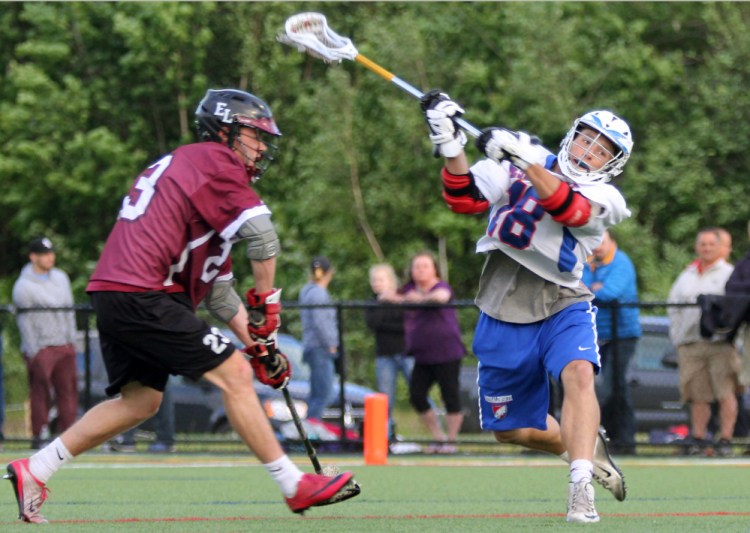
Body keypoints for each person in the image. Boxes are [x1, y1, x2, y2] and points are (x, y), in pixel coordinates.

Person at [4, 89, 357, 524]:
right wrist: (267, 308)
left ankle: (35, 469)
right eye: (254, 135)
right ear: (224, 131)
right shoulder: (216, 162)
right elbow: (264, 238)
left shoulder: (196, 175)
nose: (263, 147)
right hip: (142, 292)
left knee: (140, 402)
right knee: (234, 375)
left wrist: (260, 344)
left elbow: (219, 292)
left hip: (115, 292)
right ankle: (292, 484)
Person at [420, 90, 632, 522]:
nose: (588, 152)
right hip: (502, 301)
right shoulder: (526, 151)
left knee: (578, 373)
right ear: (571, 135)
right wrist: (451, 145)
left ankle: (579, 488)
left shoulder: (606, 197)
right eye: (585, 139)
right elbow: (463, 198)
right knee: (509, 430)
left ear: (612, 163)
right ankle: (585, 449)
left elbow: (568, 208)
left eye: (601, 149)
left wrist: (522, 160)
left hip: (562, 298)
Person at [668, 228, 741, 457]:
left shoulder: (730, 273)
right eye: (703, 244)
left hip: (720, 343)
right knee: (696, 393)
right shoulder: (687, 274)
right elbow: (673, 306)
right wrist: (678, 337)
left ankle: (725, 440)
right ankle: (698, 438)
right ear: (696, 246)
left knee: (725, 391)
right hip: (690, 343)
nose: (707, 248)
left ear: (721, 247)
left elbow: (736, 307)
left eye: (711, 244)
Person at [384, 251, 465, 454]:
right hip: (422, 355)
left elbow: (441, 298)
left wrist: (417, 298)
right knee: (417, 395)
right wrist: (400, 297)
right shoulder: (408, 289)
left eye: (425, 266)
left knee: (451, 397)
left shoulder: (440, 287)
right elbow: (387, 296)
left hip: (447, 352)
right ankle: (438, 437)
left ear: (434, 269)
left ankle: (451, 441)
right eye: (417, 266)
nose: (420, 270)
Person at [12, 237, 78, 450]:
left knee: (68, 392)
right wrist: (34, 351)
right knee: (40, 392)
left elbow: (69, 310)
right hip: (41, 348)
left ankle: (69, 438)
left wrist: (71, 341)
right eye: (44, 254)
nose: (50, 257)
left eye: (51, 253)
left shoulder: (61, 278)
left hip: (64, 345)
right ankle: (39, 436)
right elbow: (25, 323)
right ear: (33, 257)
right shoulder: (23, 286)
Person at [582, 229, 641, 455]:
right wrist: (593, 288)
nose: (597, 246)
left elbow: (611, 293)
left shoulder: (621, 262)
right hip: (595, 336)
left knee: (614, 387)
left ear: (612, 241)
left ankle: (625, 441)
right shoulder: (587, 262)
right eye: (593, 241)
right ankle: (614, 440)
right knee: (606, 388)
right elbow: (576, 286)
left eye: (601, 242)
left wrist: (591, 289)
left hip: (622, 335)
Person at [364, 263, 413, 440]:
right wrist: (382, 302)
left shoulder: (403, 299)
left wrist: (391, 303)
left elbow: (406, 325)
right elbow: (373, 324)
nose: (377, 283)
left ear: (391, 281)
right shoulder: (373, 302)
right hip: (384, 356)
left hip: (406, 353)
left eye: (381, 280)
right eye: (374, 280)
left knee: (418, 392)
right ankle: (387, 436)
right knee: (385, 399)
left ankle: (438, 434)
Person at [299, 256, 340, 432]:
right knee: (324, 393)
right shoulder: (318, 293)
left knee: (317, 392)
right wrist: (331, 343)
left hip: (312, 347)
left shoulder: (306, 290)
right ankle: (311, 429)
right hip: (320, 348)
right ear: (329, 273)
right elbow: (321, 321)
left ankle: (310, 427)